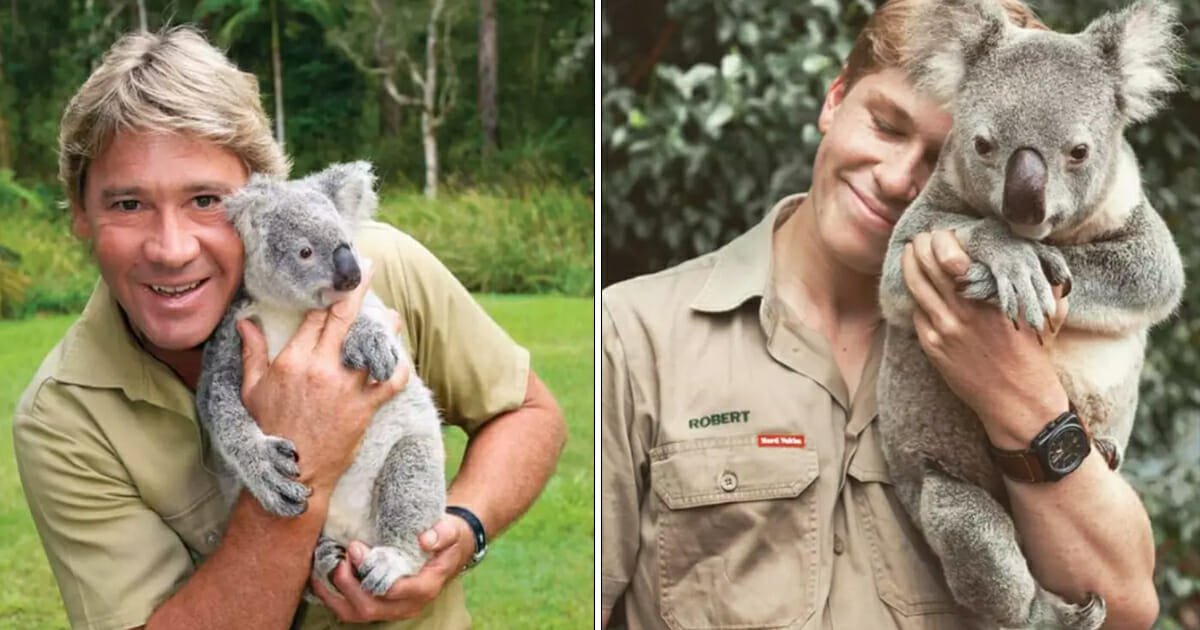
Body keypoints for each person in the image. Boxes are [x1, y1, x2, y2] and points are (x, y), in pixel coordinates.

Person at [600, 1, 1160, 628]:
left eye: (940, 157)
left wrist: (1019, 395)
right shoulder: (635, 330)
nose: (899, 179)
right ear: (834, 100)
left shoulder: (1041, 332)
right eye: (887, 127)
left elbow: (1121, 611)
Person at [13, 26, 566, 630]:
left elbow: (529, 413)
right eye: (127, 204)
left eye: (205, 201)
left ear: (260, 200)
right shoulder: (62, 419)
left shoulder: (376, 270)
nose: (171, 249)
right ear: (81, 215)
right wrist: (307, 455)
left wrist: (459, 531)